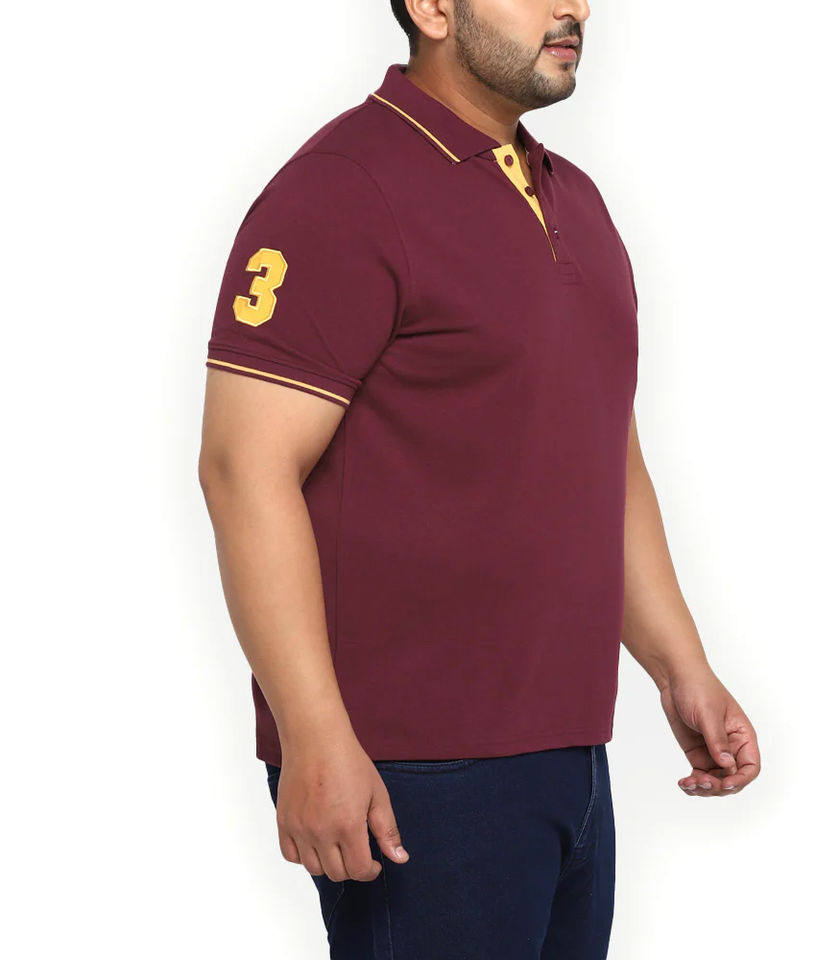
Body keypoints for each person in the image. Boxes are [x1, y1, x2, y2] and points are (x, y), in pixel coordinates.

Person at [198, 1, 761, 957]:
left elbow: (603, 456)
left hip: (570, 753)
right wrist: (313, 733)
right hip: (412, 769)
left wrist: (682, 670)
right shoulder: (342, 189)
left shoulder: (575, 200)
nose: (574, 6)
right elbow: (243, 468)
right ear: (431, 8)